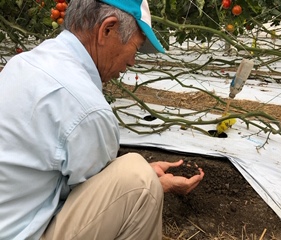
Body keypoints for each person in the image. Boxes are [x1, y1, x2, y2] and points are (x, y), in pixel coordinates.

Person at [0, 0, 205, 239]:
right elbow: (94, 202)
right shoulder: (86, 108)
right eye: (136, 48)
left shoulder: (23, 63)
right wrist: (154, 183)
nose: (132, 62)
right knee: (137, 180)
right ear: (107, 29)